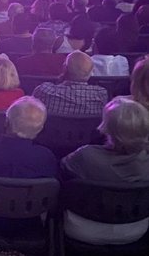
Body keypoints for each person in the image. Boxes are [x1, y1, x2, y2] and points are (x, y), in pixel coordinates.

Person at [0, 96, 57, 236]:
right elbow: (54, 195)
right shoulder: (46, 158)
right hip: (29, 225)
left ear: (6, 122)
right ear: (41, 129)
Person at [61, 98, 149, 245]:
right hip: (135, 229)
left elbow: (62, 168)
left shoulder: (85, 156)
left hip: (83, 227)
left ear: (106, 127)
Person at [33, 51, 108, 116]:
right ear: (90, 72)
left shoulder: (44, 91)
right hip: (90, 133)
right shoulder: (101, 94)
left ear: (64, 68)